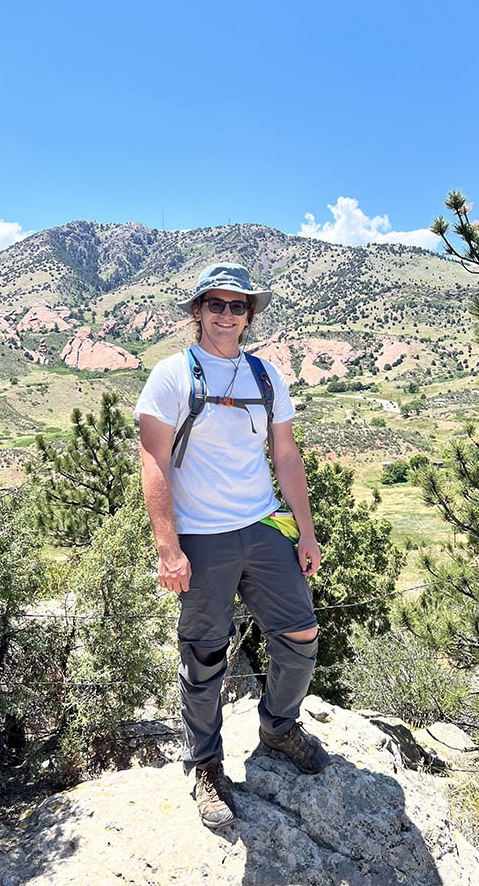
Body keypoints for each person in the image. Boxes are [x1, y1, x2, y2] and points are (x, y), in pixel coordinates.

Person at [135, 262, 329, 830]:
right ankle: (206, 765)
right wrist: (168, 548)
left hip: (263, 524)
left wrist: (306, 530)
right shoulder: (171, 376)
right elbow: (153, 461)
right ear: (197, 312)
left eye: (237, 306)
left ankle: (278, 726)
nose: (226, 314)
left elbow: (286, 457)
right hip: (201, 534)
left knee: (300, 632)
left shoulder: (267, 377)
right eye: (215, 304)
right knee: (204, 654)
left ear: (249, 316)